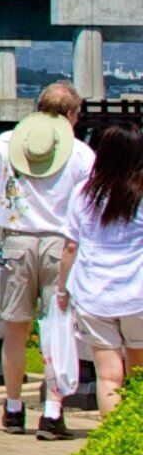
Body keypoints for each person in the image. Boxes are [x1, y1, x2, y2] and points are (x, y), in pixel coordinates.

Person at [0, 84, 87, 436]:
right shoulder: (81, 154)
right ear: (73, 115)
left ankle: (13, 408)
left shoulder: (4, 144)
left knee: (15, 331)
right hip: (61, 247)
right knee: (58, 329)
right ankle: (52, 411)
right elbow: (90, 210)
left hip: (16, 241)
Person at [62, 124, 143, 419]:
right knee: (139, 374)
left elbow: (70, 247)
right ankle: (135, 437)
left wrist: (62, 290)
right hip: (137, 294)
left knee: (108, 376)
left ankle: (111, 437)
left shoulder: (84, 192)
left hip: (93, 293)